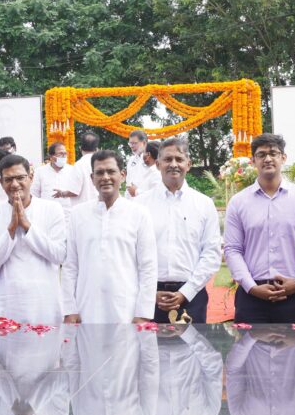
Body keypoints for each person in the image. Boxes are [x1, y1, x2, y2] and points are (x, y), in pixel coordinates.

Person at [224, 133, 295, 324]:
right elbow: (232, 249)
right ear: (253, 160)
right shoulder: (238, 202)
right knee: (250, 352)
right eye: (261, 154)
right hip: (251, 296)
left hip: (293, 294)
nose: (267, 159)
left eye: (273, 153)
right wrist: (251, 287)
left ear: (283, 158)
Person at [63, 149, 157, 323]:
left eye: (111, 171)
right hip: (87, 309)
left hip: (126, 310)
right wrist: (70, 309)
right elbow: (70, 266)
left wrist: (143, 313)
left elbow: (148, 267)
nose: (105, 177)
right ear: (92, 179)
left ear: (122, 175)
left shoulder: (139, 214)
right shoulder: (78, 214)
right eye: (99, 173)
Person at [136, 137, 221, 323]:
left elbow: (211, 254)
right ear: (158, 164)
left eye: (179, 159)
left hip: (192, 296)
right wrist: (150, 293)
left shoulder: (204, 204)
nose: (173, 164)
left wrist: (186, 292)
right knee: (149, 350)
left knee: (192, 351)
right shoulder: (140, 205)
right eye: (167, 159)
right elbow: (131, 255)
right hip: (150, 297)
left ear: (188, 164)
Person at [0, 154, 68, 324]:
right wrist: (12, 228)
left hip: (45, 302)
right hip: (10, 303)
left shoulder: (52, 209)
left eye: (20, 178)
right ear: (1, 182)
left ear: (31, 177)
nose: (14, 184)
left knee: (48, 348)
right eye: (8, 179)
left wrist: (27, 225)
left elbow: (59, 255)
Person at [31, 142, 81, 214]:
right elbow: (34, 194)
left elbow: (76, 191)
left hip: (67, 214)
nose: (64, 156)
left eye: (65, 154)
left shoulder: (73, 170)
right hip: (46, 213)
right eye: (60, 154)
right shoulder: (40, 171)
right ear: (51, 157)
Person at [71, 131, 100, 203]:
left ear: (80, 148)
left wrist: (62, 193)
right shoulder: (103, 163)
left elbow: (74, 191)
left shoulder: (78, 165)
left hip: (83, 208)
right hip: (101, 206)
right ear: (97, 149)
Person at [125, 130, 148, 197]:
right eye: (130, 143)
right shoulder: (131, 160)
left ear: (144, 143)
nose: (131, 146)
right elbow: (128, 183)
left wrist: (137, 192)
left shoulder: (152, 159)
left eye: (134, 143)